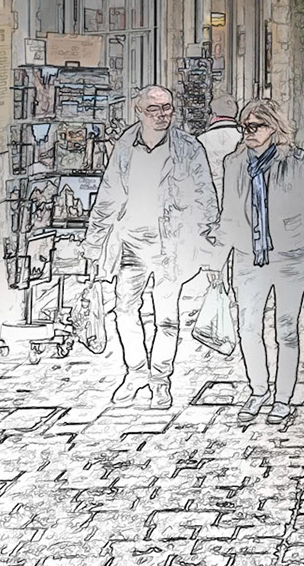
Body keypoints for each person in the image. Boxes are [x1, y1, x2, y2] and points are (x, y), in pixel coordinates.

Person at [85, 85, 220, 408]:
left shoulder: (189, 148)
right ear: (139, 111)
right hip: (131, 245)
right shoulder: (125, 145)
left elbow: (206, 200)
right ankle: (135, 373)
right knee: (124, 311)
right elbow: (109, 194)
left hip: (171, 246)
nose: (162, 115)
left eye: (167, 108)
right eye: (154, 109)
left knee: (167, 318)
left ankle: (160, 379)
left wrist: (210, 248)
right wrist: (93, 245)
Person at [217, 97, 304, 427]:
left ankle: (282, 396)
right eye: (245, 126)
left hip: (290, 257)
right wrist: (217, 260)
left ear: (274, 128)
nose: (249, 132)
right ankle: (258, 390)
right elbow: (228, 214)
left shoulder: (297, 162)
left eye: (257, 126)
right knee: (248, 326)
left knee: (286, 329)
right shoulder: (233, 163)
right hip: (247, 257)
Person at [197, 94, 243, 200]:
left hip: (209, 197)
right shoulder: (245, 137)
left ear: (213, 114)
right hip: (239, 197)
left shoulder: (200, 141)